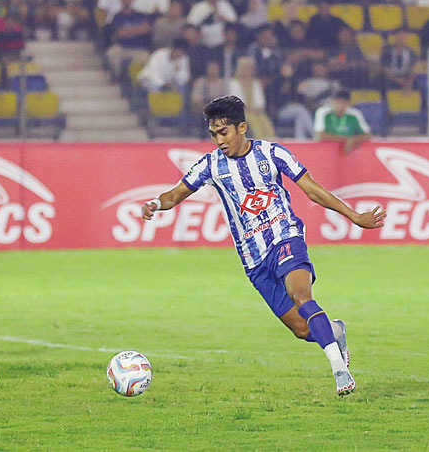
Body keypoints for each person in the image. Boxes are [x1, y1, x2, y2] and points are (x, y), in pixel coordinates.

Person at [142, 95, 386, 396]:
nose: (219, 140)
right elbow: (176, 194)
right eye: (213, 134)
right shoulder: (211, 165)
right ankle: (336, 331)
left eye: (224, 132)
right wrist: (155, 203)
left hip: (286, 237)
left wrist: (354, 216)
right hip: (253, 260)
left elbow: (311, 189)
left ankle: (338, 369)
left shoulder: (272, 154)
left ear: (242, 127)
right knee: (301, 328)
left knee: (300, 294)